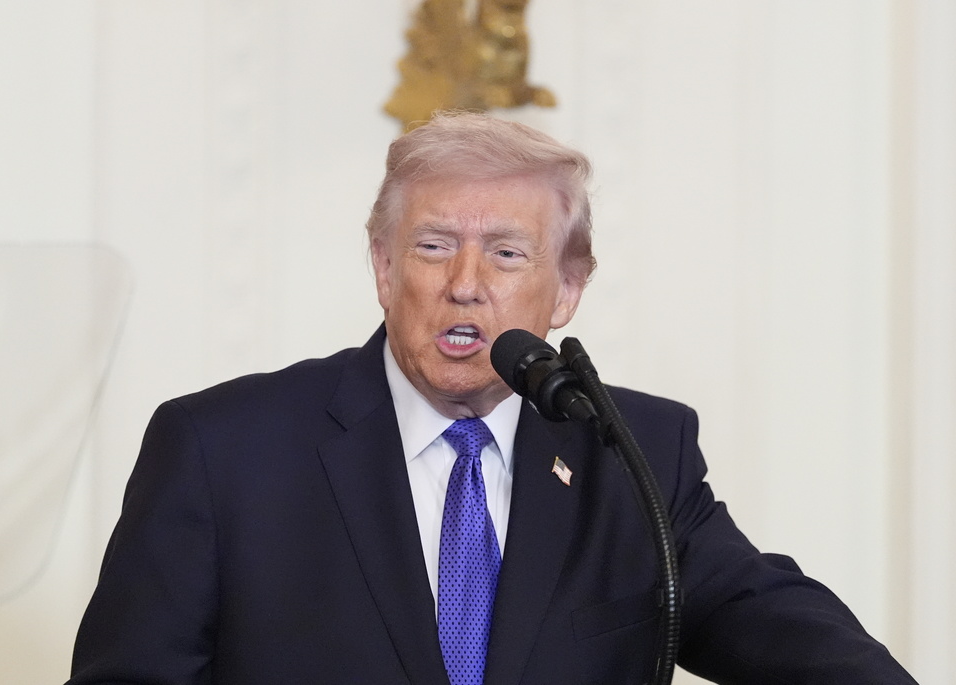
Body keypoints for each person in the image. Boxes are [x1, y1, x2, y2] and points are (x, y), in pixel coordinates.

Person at [67, 112, 916, 684]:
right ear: (385, 268)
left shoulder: (634, 447)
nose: (465, 285)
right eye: (434, 246)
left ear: (568, 289)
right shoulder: (222, 450)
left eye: (508, 255)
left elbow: (765, 616)